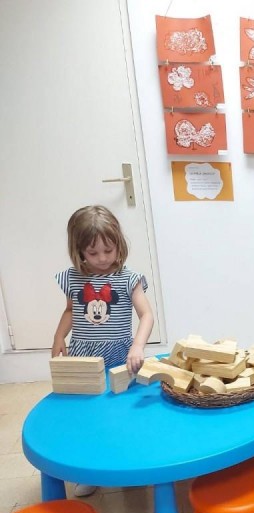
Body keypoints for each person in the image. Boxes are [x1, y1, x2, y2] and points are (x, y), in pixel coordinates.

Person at [52, 205, 154, 497]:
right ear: (78, 250)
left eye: (108, 250)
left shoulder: (129, 278)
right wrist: (59, 336)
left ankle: (127, 466)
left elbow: (147, 315)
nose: (102, 258)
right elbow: (70, 310)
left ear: (118, 245)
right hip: (83, 356)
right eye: (93, 252)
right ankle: (90, 470)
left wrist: (137, 345)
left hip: (120, 355)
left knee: (123, 413)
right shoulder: (73, 277)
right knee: (87, 415)